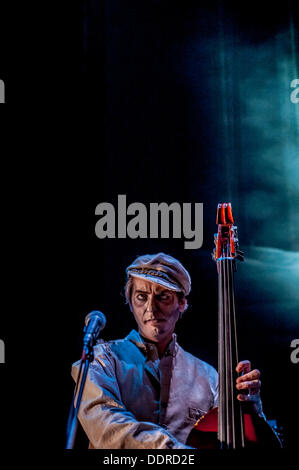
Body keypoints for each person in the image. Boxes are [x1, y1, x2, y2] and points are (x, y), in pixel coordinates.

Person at [71, 252, 264, 449]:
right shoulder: (101, 360)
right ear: (130, 302)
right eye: (141, 297)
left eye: (163, 296)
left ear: (182, 303)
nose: (151, 309)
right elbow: (108, 428)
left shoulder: (209, 377)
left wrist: (250, 411)